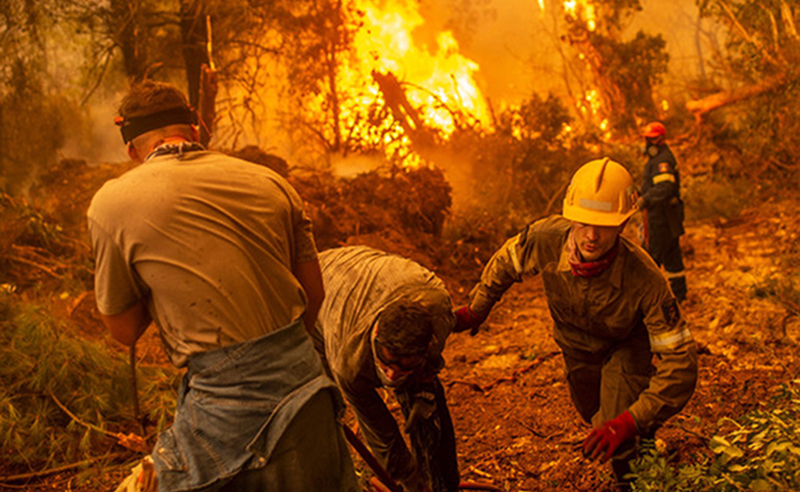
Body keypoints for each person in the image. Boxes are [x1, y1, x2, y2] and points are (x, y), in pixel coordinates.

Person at [88, 80, 358, 492]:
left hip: (221, 410)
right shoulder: (272, 183)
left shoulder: (112, 204)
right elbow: (314, 295)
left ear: (131, 150)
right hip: (307, 395)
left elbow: (124, 330)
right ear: (197, 128)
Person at [453, 157, 698, 490]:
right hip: (576, 348)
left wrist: (630, 420)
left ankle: (633, 477)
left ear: (624, 224)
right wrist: (477, 309)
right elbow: (506, 263)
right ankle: (637, 431)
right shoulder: (545, 239)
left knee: (616, 425)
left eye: (605, 225)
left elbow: (681, 363)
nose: (592, 236)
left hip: (625, 345)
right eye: (583, 222)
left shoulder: (646, 278)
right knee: (593, 415)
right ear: (570, 216)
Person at [312, 245, 460, 492]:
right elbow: (382, 434)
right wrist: (412, 483)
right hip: (315, 288)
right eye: (386, 363)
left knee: (427, 399)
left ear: (428, 346)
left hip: (385, 277)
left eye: (403, 367)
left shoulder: (439, 314)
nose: (391, 375)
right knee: (324, 404)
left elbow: (428, 366)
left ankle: (443, 483)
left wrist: (422, 386)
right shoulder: (349, 361)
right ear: (377, 334)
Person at [637, 121, 687, 302]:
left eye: (650, 139)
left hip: (661, 217)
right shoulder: (657, 159)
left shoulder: (662, 160)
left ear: (659, 139)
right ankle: (680, 294)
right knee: (672, 255)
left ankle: (645, 297)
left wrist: (645, 199)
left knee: (650, 257)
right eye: (646, 139)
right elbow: (656, 186)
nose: (647, 143)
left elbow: (665, 187)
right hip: (667, 216)